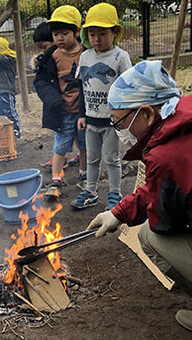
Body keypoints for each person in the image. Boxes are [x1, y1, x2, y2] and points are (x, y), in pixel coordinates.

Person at [87, 60, 192, 338]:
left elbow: (164, 222)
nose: (118, 130)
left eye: (119, 121)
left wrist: (140, 214)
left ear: (146, 113)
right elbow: (168, 185)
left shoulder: (166, 155)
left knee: (150, 237)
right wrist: (118, 213)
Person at [70, 3, 132, 211]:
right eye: (92, 34)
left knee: (112, 159)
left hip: (112, 121)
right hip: (90, 119)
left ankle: (115, 193)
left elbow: (128, 87)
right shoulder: (85, 56)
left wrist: (125, 117)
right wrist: (81, 115)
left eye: (102, 34)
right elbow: (81, 86)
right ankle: (91, 191)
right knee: (92, 159)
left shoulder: (120, 57)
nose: (97, 39)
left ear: (115, 32)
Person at [33, 5, 87, 200]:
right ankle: (56, 179)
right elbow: (41, 81)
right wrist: (52, 99)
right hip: (62, 111)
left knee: (84, 145)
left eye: (65, 33)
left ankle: (84, 174)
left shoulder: (86, 54)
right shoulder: (52, 56)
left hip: (82, 112)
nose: (60, 38)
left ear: (77, 31)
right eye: (56, 34)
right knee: (60, 147)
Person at [32, 22, 81, 172]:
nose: (45, 51)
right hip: (61, 106)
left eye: (45, 46)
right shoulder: (51, 58)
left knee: (77, 133)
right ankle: (63, 162)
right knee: (66, 132)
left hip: (76, 106)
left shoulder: (70, 54)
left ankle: (75, 157)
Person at [0, 37, 21, 139]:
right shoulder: (3, 60)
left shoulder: (9, 59)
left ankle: (16, 131)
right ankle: (4, 135)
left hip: (6, 91)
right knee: (0, 115)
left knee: (10, 113)